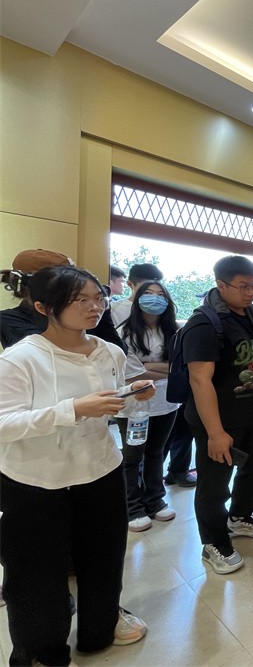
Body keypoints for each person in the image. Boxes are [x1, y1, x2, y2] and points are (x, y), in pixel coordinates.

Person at [0, 265, 152, 665]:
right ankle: (42, 651)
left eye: (98, 298)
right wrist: (72, 409)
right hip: (36, 481)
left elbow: (109, 404)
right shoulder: (21, 359)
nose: (94, 307)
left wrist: (131, 394)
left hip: (100, 470)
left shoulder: (109, 351)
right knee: (36, 574)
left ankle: (99, 630)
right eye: (79, 300)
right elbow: (3, 423)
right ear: (43, 307)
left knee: (104, 559)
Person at [182, 256, 253, 575]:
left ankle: (238, 517)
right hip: (217, 419)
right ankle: (213, 542)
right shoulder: (203, 323)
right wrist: (215, 433)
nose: (250, 292)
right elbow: (200, 380)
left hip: (251, 412)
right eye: (243, 286)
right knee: (215, 483)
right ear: (221, 285)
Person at [118, 281, 181, 531]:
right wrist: (163, 370)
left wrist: (148, 366)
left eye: (160, 295)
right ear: (137, 298)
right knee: (132, 456)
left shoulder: (173, 331)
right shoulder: (124, 332)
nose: (155, 298)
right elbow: (133, 374)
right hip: (134, 406)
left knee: (156, 452)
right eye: (148, 293)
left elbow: (180, 367)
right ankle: (131, 506)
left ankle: (155, 500)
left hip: (166, 402)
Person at [1, 249, 124, 351]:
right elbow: (54, 355)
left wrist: (100, 302)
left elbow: (116, 351)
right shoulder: (10, 320)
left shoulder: (86, 311)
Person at [110, 263, 164, 327]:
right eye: (146, 288)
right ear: (130, 284)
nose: (153, 293)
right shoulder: (113, 309)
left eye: (158, 286)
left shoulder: (161, 308)